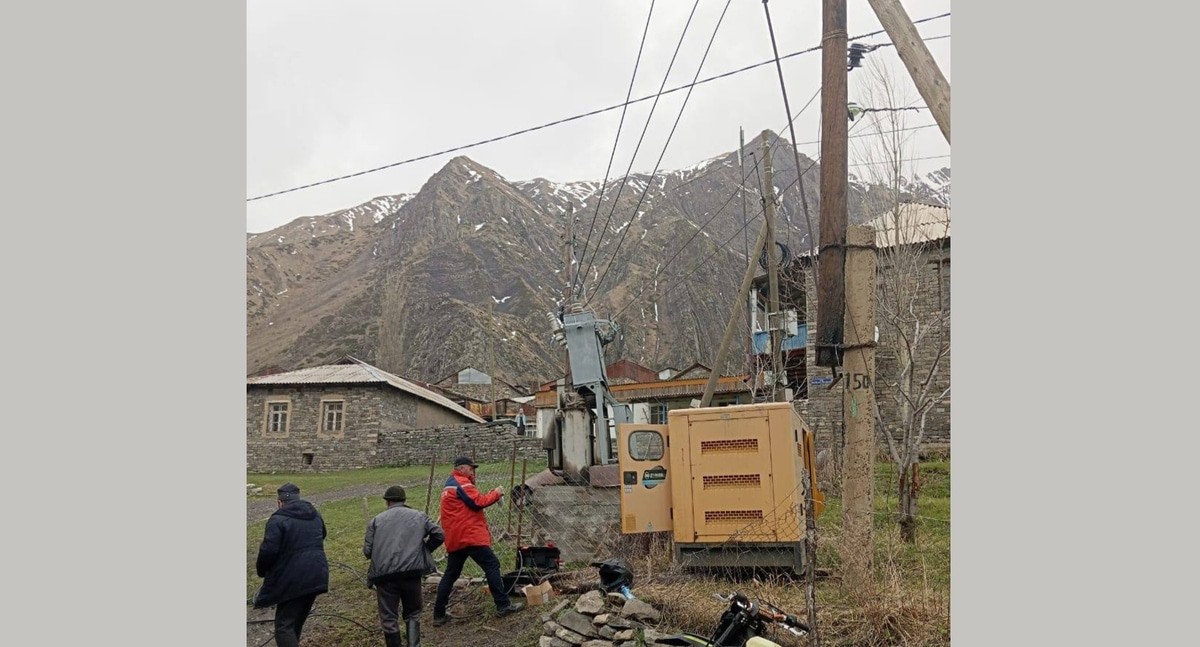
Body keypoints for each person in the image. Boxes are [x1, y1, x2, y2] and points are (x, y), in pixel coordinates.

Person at [431, 456, 525, 625]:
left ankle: (438, 614)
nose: (473, 471)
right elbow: (477, 502)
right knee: (492, 565)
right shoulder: (461, 482)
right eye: (470, 468)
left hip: (455, 538)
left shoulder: (450, 484)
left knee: (451, 574)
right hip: (469, 536)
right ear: (461, 468)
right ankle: (503, 605)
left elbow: (468, 502)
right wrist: (496, 493)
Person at [364, 485, 444, 647]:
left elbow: (367, 551)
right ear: (404, 500)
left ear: (387, 502)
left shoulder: (376, 521)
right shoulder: (419, 516)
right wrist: (424, 550)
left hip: (384, 576)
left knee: (389, 618)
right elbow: (439, 534)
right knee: (413, 613)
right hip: (411, 573)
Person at [253, 483, 330, 647]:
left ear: (279, 502)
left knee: (283, 627)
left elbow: (268, 551)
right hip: (316, 574)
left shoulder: (277, 519)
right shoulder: (315, 514)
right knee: (295, 623)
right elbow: (323, 534)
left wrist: (262, 570)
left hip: (292, 578)